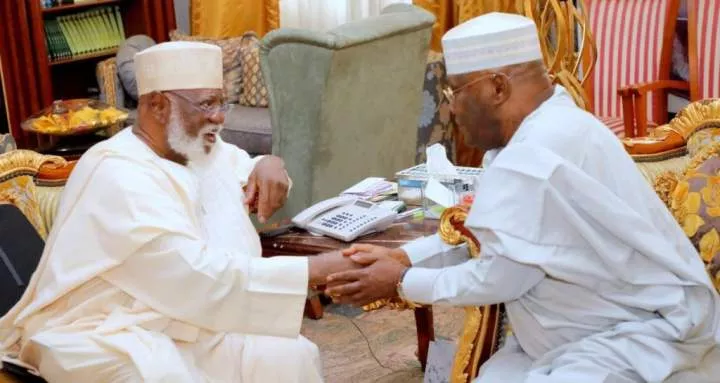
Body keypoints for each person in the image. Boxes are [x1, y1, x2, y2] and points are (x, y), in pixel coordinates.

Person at [326, 12, 720, 383]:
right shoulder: (551, 124)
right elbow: (490, 239)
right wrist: (403, 257)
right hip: (568, 335)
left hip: (633, 334)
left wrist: (401, 280)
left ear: (497, 87)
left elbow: (499, 276)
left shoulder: (535, 153)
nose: (450, 107)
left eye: (455, 91)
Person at [0, 41, 356, 382]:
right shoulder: (116, 172)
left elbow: (243, 167)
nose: (218, 118)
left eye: (222, 103)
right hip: (108, 329)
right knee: (161, 373)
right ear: (157, 105)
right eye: (207, 105)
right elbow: (196, 276)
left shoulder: (195, 146)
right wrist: (319, 269)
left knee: (289, 356)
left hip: (186, 319)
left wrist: (270, 162)